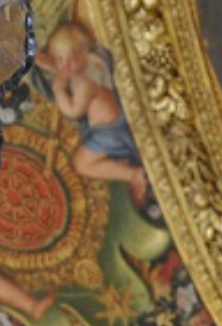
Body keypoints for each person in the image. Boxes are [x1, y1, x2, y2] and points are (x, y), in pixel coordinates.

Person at [35, 21, 150, 202]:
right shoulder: (91, 67)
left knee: (81, 163)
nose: (61, 66)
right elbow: (60, 67)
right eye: (58, 60)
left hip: (108, 132)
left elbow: (73, 111)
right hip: (113, 126)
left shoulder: (85, 84)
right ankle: (131, 172)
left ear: (80, 56)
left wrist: (59, 91)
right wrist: (38, 59)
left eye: (64, 59)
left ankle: (134, 174)